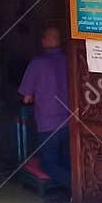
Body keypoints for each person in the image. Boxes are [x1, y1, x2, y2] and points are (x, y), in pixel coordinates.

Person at [18, 24, 72, 190]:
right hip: (70, 121)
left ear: (44, 41)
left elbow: (26, 98)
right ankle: (76, 191)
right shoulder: (69, 60)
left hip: (48, 124)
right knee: (67, 160)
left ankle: (76, 188)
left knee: (49, 164)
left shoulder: (37, 63)